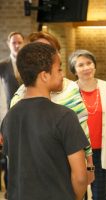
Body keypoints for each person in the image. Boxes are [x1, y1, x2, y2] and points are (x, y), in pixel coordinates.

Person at [0, 42, 89, 200]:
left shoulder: (9, 117)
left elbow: (13, 165)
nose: (62, 74)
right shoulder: (65, 116)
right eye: (59, 69)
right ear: (44, 75)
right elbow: (81, 177)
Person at [68, 49, 106, 200]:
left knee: (100, 194)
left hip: (100, 151)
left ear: (94, 65)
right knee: (77, 193)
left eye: (89, 63)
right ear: (74, 70)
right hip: (76, 152)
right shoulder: (68, 91)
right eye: (81, 65)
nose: (86, 67)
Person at [0, 31, 24, 197]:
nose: (17, 45)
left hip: (29, 115)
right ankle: (11, 191)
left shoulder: (29, 63)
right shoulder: (2, 65)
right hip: (9, 117)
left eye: (19, 42)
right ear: (8, 44)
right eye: (14, 42)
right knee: (10, 156)